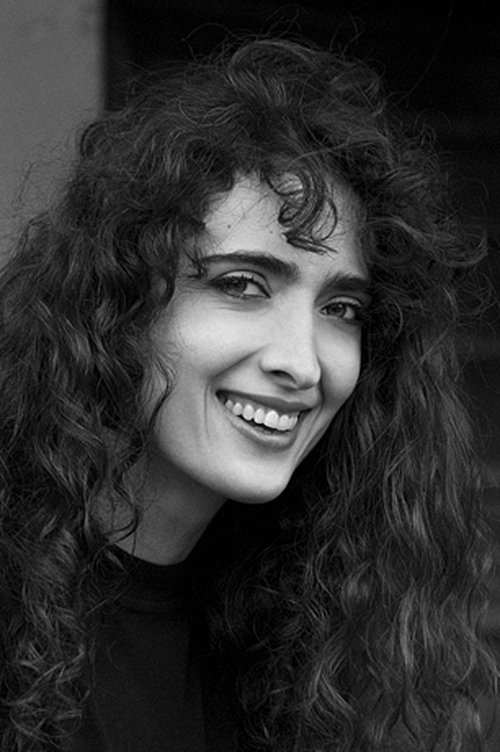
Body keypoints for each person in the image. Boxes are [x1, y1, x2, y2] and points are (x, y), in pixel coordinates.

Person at [0, 36, 496, 752]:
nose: (302, 362)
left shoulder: (304, 644)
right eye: (241, 285)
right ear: (119, 306)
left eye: (341, 308)